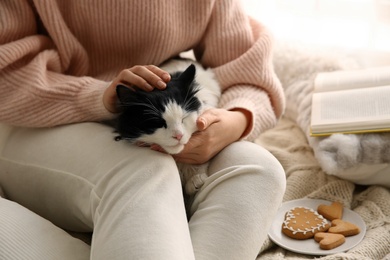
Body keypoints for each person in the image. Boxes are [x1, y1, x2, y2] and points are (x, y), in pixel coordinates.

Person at [0, 1, 286, 259]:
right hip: (35, 115)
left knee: (259, 171)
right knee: (146, 170)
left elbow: (249, 72)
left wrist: (235, 121)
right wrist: (98, 96)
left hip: (158, 112)